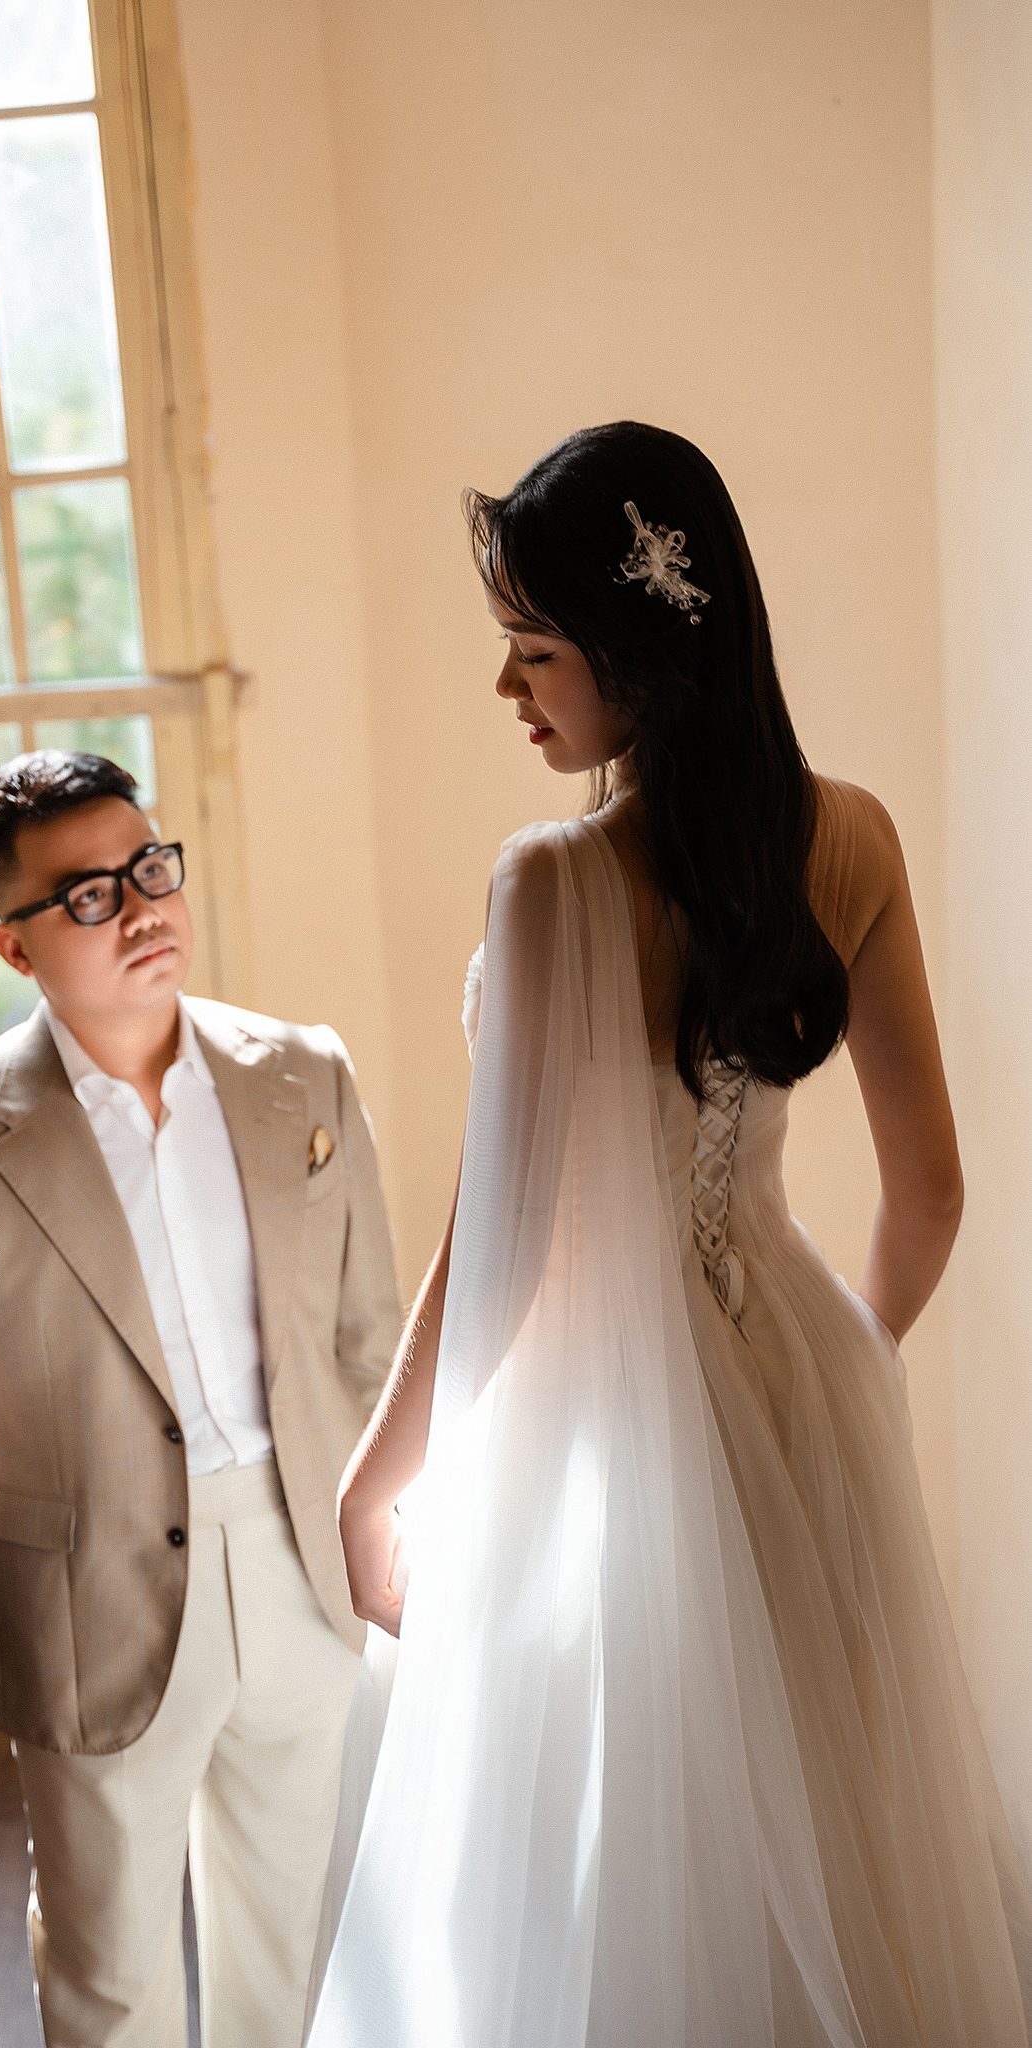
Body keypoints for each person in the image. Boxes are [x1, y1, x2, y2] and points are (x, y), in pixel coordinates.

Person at [305, 424, 1032, 2046]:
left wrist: (374, 1483)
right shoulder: (854, 837)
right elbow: (931, 1193)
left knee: (596, 1866)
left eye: (533, 650)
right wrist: (832, 1374)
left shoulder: (555, 880)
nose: (508, 688)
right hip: (798, 1381)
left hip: (607, 1427)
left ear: (637, 653)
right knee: (831, 1828)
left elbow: (502, 1251)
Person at [0, 749, 401, 2048]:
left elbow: (366, 1336)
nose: (140, 910)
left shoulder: (305, 1074)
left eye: (148, 869)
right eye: (87, 896)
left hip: (305, 1563)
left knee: (296, 1943)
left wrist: (391, 1522)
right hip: (91, 1595)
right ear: (15, 946)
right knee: (110, 1970)